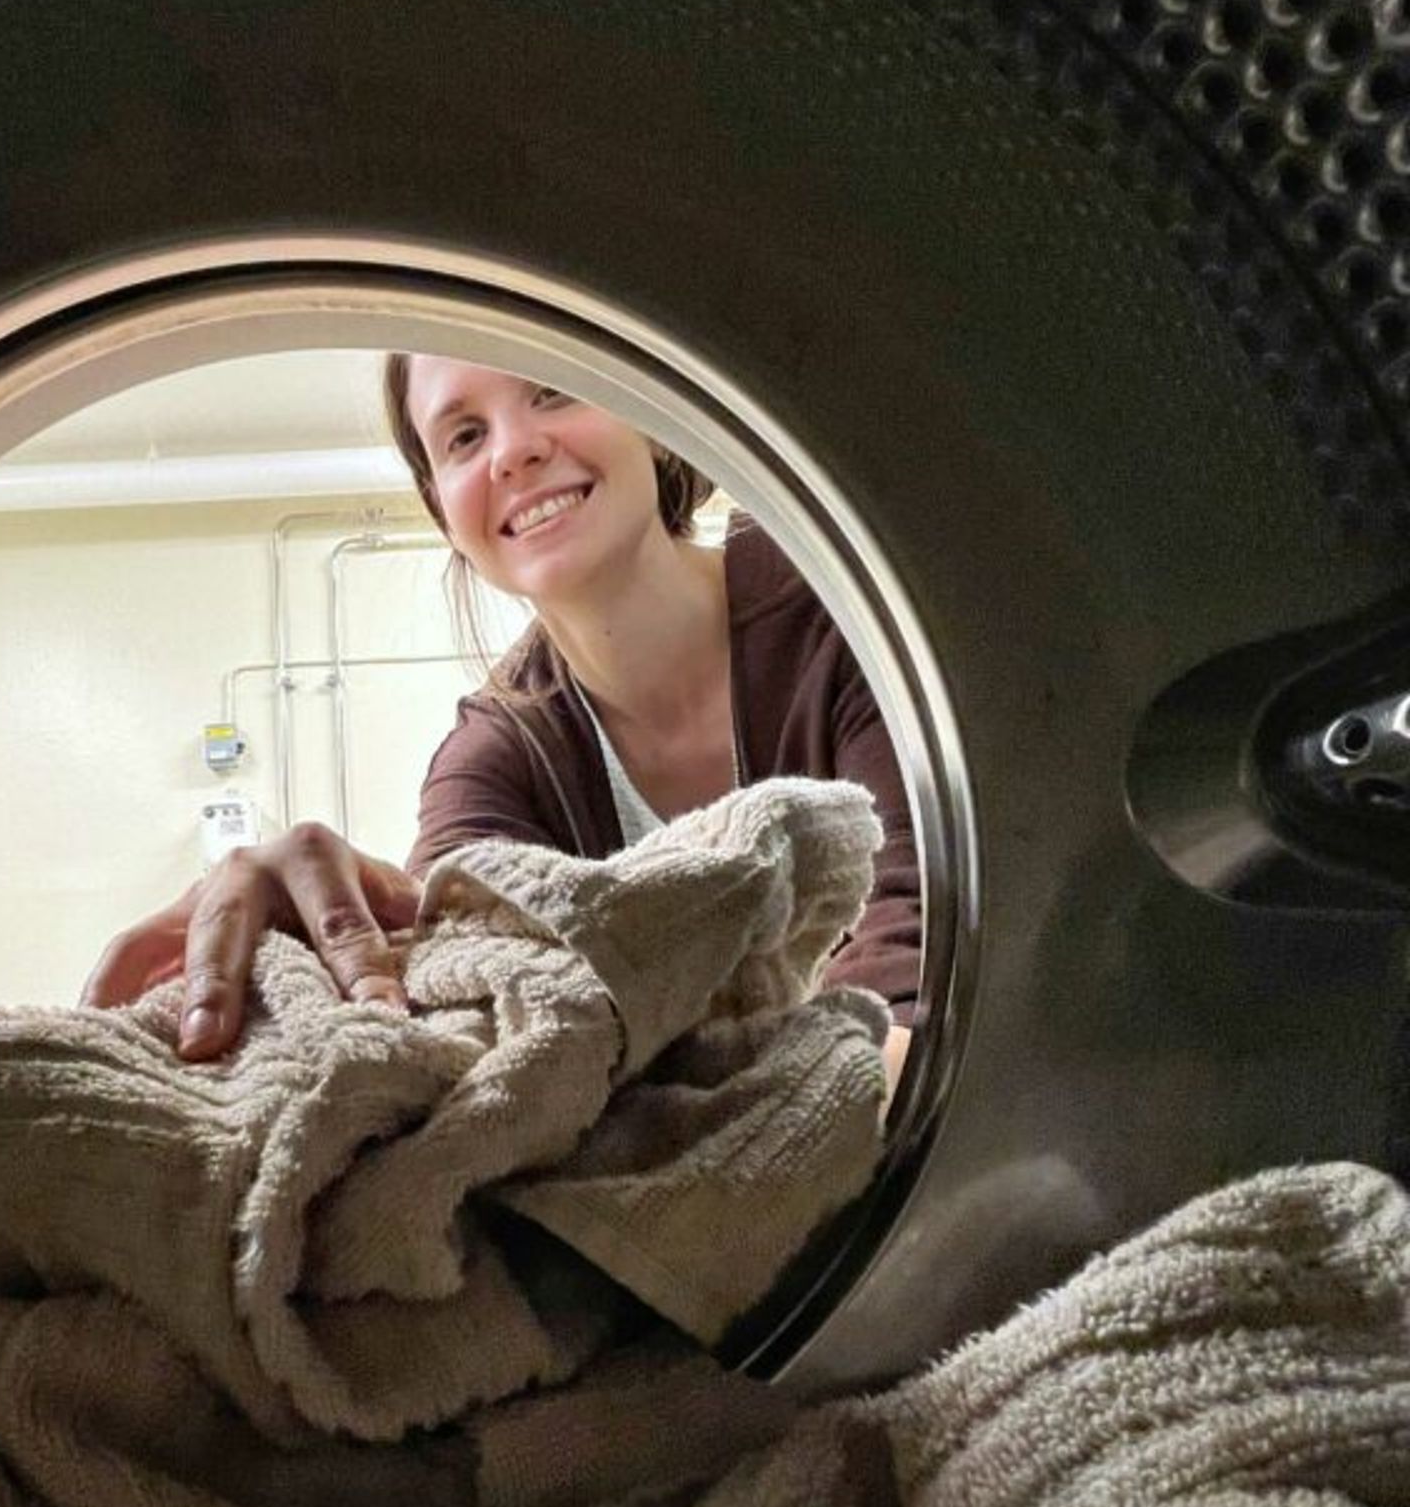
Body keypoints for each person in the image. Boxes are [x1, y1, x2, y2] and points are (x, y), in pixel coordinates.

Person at [82, 358, 920, 1085]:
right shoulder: (495, 754)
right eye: (463, 437)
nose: (514, 449)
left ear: (659, 420)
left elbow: (927, 953)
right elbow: (457, 984)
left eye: (552, 392)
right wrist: (313, 936)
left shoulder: (844, 612)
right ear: (446, 511)